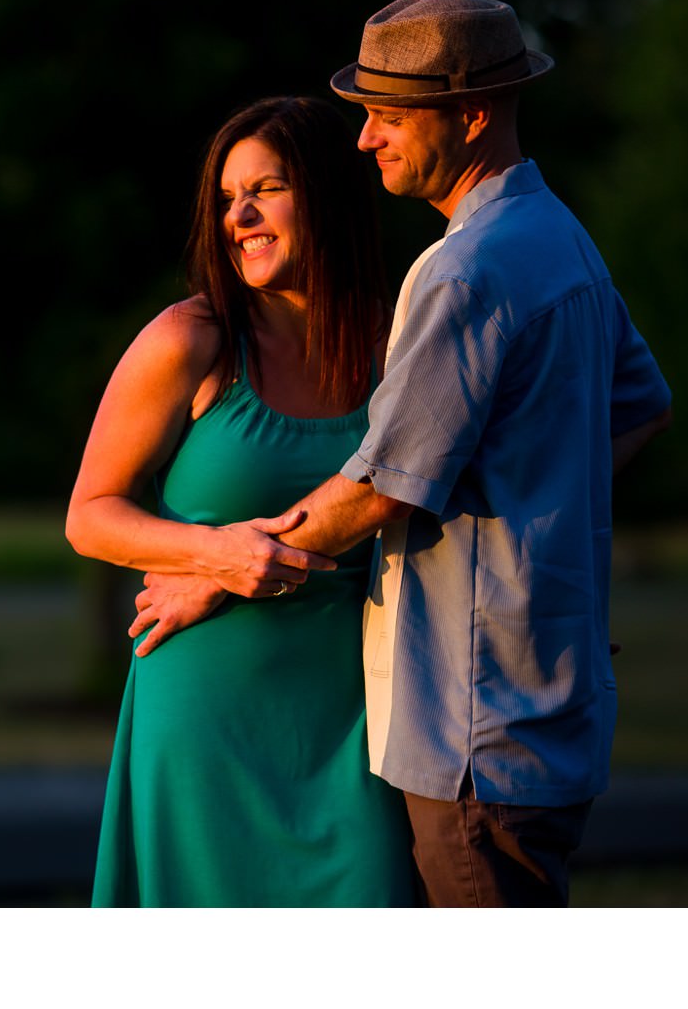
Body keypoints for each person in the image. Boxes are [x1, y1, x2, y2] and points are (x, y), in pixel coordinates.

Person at [130, 0, 674, 907]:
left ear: (470, 116)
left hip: (472, 721)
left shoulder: (462, 270)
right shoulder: (562, 242)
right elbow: (640, 409)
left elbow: (380, 489)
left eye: (389, 117)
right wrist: (540, 551)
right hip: (547, 697)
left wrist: (219, 567)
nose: (364, 140)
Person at [67, 96, 417, 907]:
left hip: (353, 717)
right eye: (227, 199)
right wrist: (217, 557)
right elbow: (89, 514)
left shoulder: (395, 346)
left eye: (267, 189)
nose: (241, 216)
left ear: (326, 195)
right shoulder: (189, 340)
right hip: (203, 716)